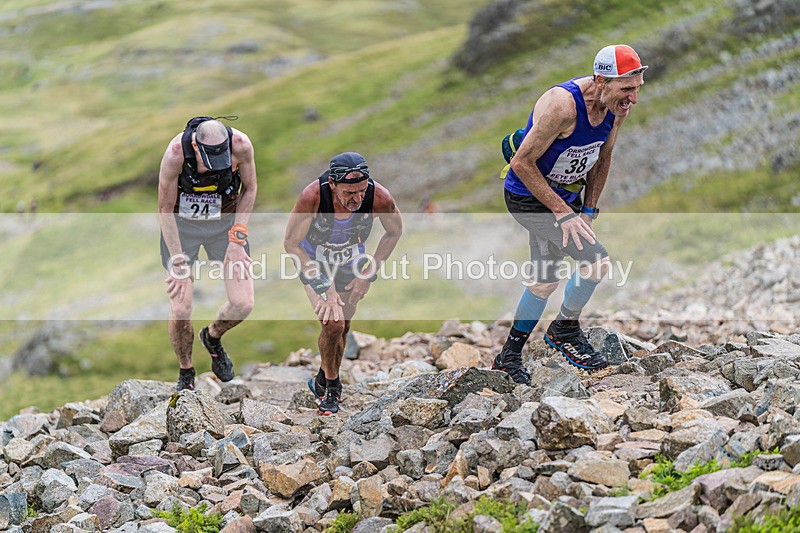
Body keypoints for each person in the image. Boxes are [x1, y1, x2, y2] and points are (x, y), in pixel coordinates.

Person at [493, 45, 647, 384]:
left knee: (546, 279)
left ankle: (509, 356)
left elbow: (603, 157)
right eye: (627, 89)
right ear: (601, 79)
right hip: (527, 197)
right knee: (596, 263)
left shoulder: (615, 106)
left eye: (637, 88)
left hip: (564, 197)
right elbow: (521, 163)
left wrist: (588, 209)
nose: (633, 99)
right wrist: (564, 213)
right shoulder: (561, 105)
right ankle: (563, 330)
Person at [284, 152, 403, 415]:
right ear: (333, 185)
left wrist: (367, 274)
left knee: (344, 326)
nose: (357, 199)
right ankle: (332, 388)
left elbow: (394, 231)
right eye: (350, 192)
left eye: (361, 191)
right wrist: (324, 285)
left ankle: (322, 377)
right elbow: (291, 244)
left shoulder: (379, 197)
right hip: (314, 261)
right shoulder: (313, 197)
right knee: (333, 322)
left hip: (351, 262)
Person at [158, 116, 257, 391]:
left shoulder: (241, 144)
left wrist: (238, 238)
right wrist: (178, 260)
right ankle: (186, 371)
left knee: (243, 303)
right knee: (180, 307)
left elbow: (250, 189)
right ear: (196, 146)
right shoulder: (176, 153)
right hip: (182, 227)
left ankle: (212, 337)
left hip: (224, 225)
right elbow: (164, 209)